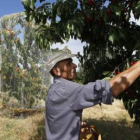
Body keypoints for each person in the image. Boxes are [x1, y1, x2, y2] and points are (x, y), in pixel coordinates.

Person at [45, 50, 140, 140]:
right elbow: (111, 88)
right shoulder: (66, 90)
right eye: (68, 64)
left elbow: (58, 120)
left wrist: (76, 126)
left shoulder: (53, 90)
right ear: (57, 71)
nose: (75, 65)